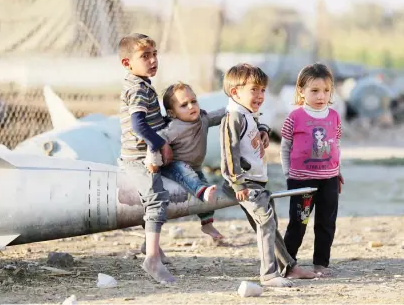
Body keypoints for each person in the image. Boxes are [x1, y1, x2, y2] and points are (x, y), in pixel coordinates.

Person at [219, 63, 294, 287]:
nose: (260, 95)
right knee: (266, 223)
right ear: (236, 92)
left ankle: (289, 265)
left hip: (257, 181)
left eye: (262, 90)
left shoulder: (247, 113)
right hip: (245, 183)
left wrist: (263, 130)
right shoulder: (233, 116)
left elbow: (252, 128)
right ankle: (269, 274)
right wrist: (237, 183)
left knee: (269, 222)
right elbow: (229, 154)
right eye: (255, 90)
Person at [117, 33, 175, 283]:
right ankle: (151, 259)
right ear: (127, 63)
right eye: (145, 56)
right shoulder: (138, 89)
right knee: (156, 198)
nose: (153, 60)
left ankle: (151, 246)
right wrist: (161, 143)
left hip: (141, 154)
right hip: (139, 158)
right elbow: (139, 126)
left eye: (154, 54)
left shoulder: (141, 83)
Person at [280, 62, 344, 276]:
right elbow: (285, 146)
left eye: (326, 91)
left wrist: (337, 170)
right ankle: (288, 264)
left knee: (326, 223)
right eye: (314, 91)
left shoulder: (334, 116)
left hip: (329, 180)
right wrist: (288, 173)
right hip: (301, 181)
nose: (321, 96)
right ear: (301, 90)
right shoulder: (295, 117)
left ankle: (321, 265)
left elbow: (336, 144)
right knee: (299, 222)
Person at [144, 82, 225, 240]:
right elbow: (155, 140)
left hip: (195, 167)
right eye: (184, 105)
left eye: (193, 101)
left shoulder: (203, 119)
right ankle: (201, 190)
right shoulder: (175, 127)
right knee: (194, 180)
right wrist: (152, 161)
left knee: (206, 193)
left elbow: (220, 114)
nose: (191, 106)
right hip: (173, 166)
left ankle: (207, 224)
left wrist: (236, 110)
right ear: (172, 113)